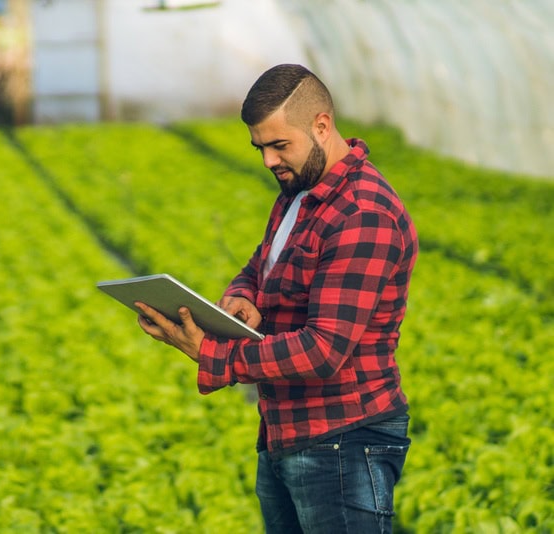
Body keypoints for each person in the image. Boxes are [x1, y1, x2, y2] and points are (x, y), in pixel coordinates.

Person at [135, 64, 418, 533]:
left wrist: (214, 354)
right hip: (286, 431)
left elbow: (323, 349)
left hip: (343, 440)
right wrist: (242, 296)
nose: (268, 160)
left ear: (321, 126)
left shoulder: (362, 213)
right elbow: (259, 264)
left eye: (278, 144)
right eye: (260, 147)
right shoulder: (299, 190)